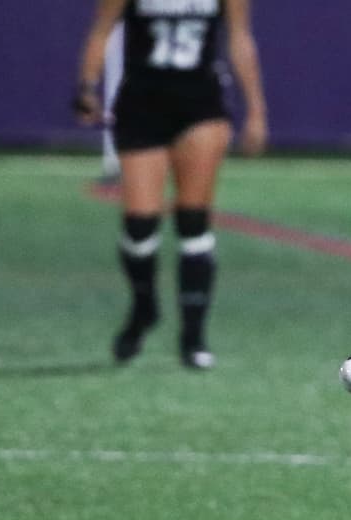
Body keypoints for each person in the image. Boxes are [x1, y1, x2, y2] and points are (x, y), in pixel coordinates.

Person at [74, 0, 268, 369]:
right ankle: (144, 306)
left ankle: (194, 336)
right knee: (139, 226)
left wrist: (256, 109)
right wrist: (87, 86)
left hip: (200, 104)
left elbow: (240, 37)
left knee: (193, 219)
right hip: (143, 104)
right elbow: (102, 29)